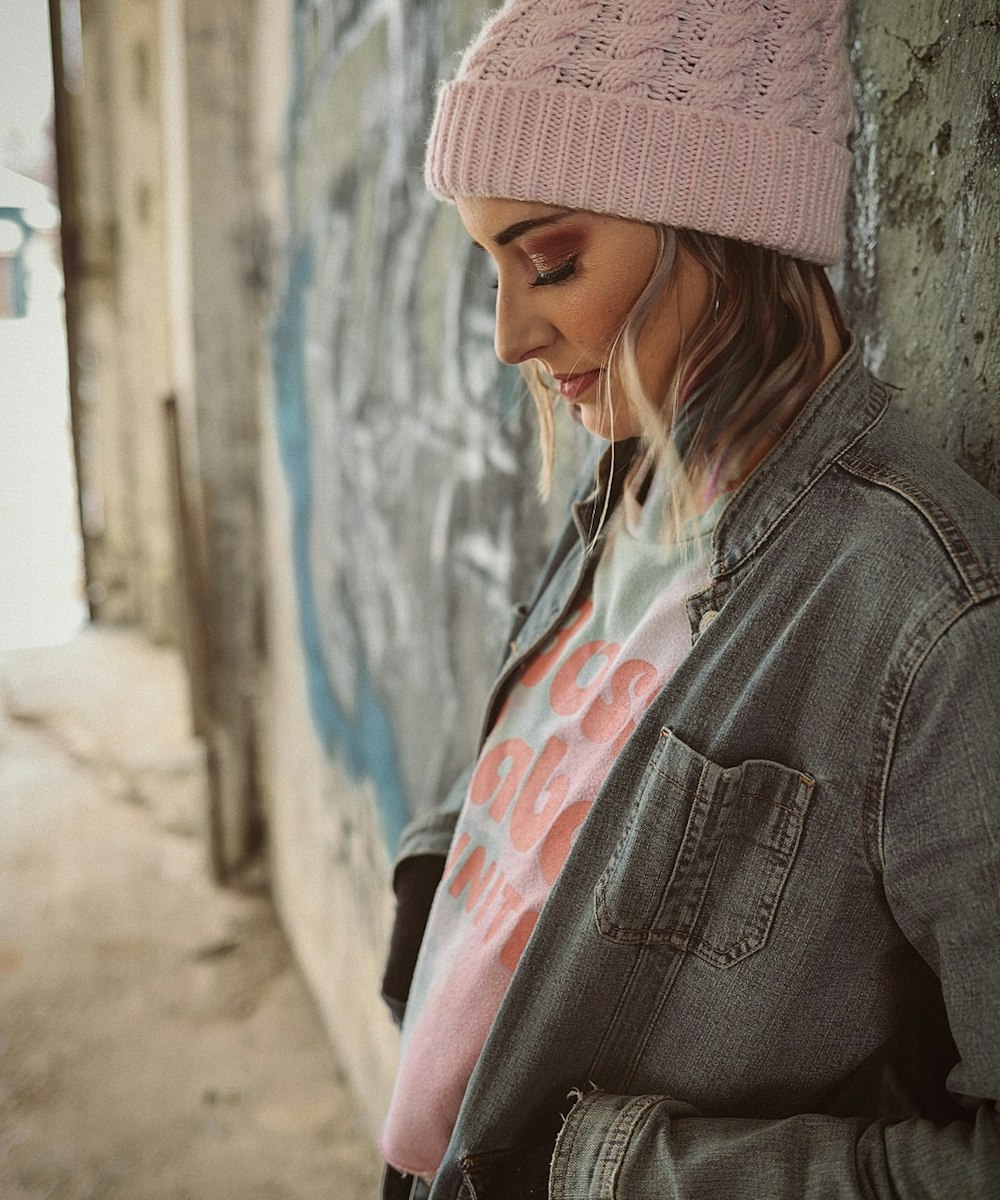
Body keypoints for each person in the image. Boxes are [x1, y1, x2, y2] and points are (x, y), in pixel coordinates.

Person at [377, 2, 1000, 1196]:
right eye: (489, 265)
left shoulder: (927, 617)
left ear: (721, 220)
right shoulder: (631, 486)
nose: (510, 333)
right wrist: (432, 871)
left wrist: (623, 1174)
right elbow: (562, 780)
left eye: (549, 259)